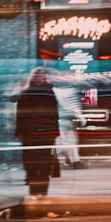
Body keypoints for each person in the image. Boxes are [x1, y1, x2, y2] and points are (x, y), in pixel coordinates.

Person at [14, 67, 61, 199]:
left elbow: (54, 114)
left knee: (44, 164)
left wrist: (55, 131)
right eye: (37, 75)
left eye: (42, 75)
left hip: (45, 133)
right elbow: (20, 114)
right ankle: (34, 192)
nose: (39, 77)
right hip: (30, 133)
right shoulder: (26, 93)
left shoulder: (49, 92)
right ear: (33, 77)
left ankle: (43, 192)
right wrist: (20, 132)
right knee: (31, 164)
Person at [52, 72, 87, 169]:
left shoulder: (54, 90)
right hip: (66, 120)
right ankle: (75, 161)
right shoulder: (71, 90)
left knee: (62, 142)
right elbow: (74, 106)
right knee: (70, 142)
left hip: (58, 120)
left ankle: (61, 160)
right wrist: (81, 118)